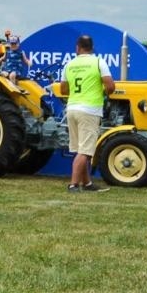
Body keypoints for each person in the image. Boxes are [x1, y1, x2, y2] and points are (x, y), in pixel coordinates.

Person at [56, 34, 115, 192]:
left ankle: (87, 183)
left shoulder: (70, 64)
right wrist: (101, 91)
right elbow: (110, 87)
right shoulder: (98, 62)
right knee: (85, 152)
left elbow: (63, 89)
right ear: (92, 48)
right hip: (90, 109)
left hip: (72, 109)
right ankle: (73, 184)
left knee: (79, 150)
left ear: (78, 47)